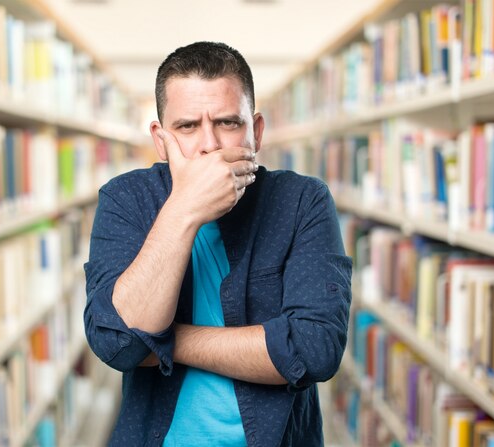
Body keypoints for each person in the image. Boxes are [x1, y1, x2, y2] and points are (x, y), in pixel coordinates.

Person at [83, 41, 352, 446]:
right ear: (160, 139)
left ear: (256, 132)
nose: (209, 144)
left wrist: (166, 342)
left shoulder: (302, 201)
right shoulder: (126, 200)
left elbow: (314, 350)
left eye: (228, 123)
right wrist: (185, 209)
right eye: (187, 127)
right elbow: (118, 344)